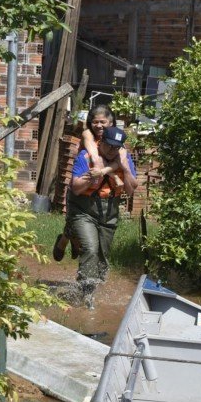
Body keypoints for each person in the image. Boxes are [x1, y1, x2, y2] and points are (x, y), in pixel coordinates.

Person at [62, 125, 138, 308]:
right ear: (101, 142)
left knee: (103, 256)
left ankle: (92, 288)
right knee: (90, 248)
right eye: (109, 146)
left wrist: (125, 168)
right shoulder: (86, 156)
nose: (112, 150)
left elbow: (130, 190)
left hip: (109, 212)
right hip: (83, 209)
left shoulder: (124, 158)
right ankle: (86, 294)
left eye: (116, 147)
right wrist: (94, 174)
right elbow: (76, 188)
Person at [52, 105, 124, 261]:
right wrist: (96, 161)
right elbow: (92, 149)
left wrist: (106, 172)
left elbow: (119, 161)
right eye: (95, 121)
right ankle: (64, 242)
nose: (98, 125)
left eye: (103, 122)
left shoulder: (115, 141)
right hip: (81, 184)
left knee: (81, 232)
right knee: (75, 225)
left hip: (99, 193)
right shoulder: (88, 134)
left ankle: (70, 242)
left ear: (111, 123)